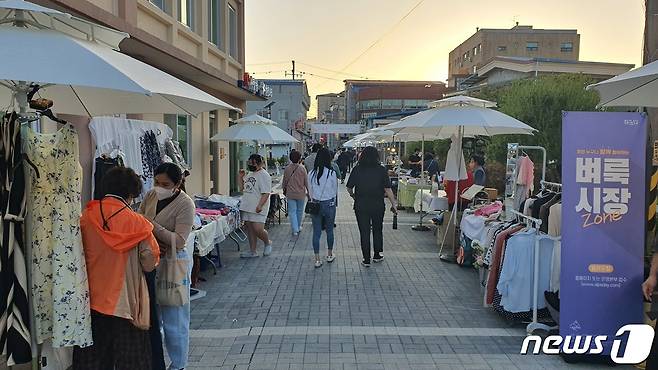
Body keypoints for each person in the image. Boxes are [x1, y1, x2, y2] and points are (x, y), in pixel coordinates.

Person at [75, 167, 160, 370]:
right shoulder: (138, 223)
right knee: (132, 359)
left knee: (93, 358)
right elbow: (149, 261)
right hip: (125, 301)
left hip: (90, 298)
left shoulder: (86, 217)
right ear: (131, 194)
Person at [140, 163, 195, 370]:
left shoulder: (185, 204)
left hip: (173, 264)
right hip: (149, 260)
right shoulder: (151, 196)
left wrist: (152, 226)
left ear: (177, 184)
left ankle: (179, 365)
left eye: (165, 184)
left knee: (175, 318)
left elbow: (179, 240)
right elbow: (139, 220)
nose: (160, 187)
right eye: (157, 182)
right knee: (153, 317)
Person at [347, 146, 398, 267]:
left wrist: (353, 196)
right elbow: (388, 189)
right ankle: (377, 255)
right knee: (377, 229)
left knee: (364, 232)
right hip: (377, 205)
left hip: (361, 205)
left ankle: (366, 259)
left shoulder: (357, 169)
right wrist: (394, 204)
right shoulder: (381, 170)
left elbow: (349, 187)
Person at [308, 148, 338, 268]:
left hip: (315, 204)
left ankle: (317, 259)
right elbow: (335, 191)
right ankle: (329, 254)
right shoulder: (332, 173)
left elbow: (309, 192)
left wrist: (313, 200)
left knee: (316, 232)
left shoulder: (311, 173)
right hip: (329, 204)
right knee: (329, 230)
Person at [239, 154, 273, 258]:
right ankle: (253, 251)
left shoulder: (264, 175)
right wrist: (240, 177)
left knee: (258, 228)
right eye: (249, 163)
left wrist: (260, 205)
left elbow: (266, 193)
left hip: (258, 206)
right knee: (250, 228)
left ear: (259, 164)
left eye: (252, 163)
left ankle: (267, 242)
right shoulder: (250, 174)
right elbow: (242, 189)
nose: (250, 165)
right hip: (248, 205)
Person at [282, 150, 309, 236]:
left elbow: (284, 181)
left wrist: (284, 189)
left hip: (290, 193)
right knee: (300, 211)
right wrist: (309, 192)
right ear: (299, 158)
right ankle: (298, 226)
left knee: (292, 211)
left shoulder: (287, 168)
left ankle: (295, 229)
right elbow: (306, 182)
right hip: (301, 193)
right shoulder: (302, 168)